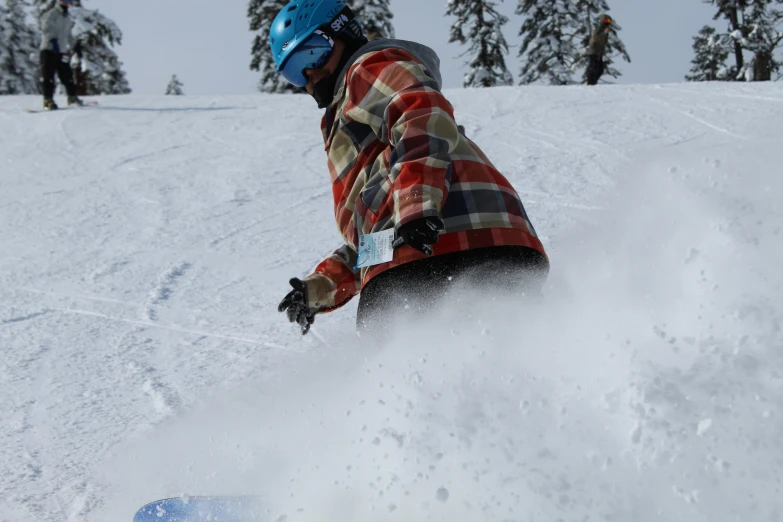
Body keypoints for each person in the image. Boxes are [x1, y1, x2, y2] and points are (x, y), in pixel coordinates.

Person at [272, 0, 548, 338]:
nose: (309, 75)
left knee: (403, 375)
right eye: (293, 71)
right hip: (495, 241)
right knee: (511, 365)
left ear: (344, 31)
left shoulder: (365, 67)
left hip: (435, 249)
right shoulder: (363, 132)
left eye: (311, 54)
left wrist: (416, 202)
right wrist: (321, 287)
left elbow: (418, 112)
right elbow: (379, 231)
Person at [39, 0, 83, 110]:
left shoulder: (67, 18)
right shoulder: (52, 14)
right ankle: (48, 100)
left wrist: (75, 45)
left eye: (68, 1)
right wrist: (52, 40)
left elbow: (68, 34)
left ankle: (72, 97)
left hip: (61, 51)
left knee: (67, 75)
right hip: (48, 50)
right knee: (48, 76)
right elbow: (46, 28)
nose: (66, 3)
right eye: (64, 1)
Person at [584, 14, 613, 86]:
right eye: (606, 20)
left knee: (600, 69)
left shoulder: (604, 29)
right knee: (593, 67)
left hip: (598, 53)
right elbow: (594, 38)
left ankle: (593, 82)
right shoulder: (599, 28)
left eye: (609, 20)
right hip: (593, 52)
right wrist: (604, 33)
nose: (607, 22)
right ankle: (590, 82)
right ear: (602, 20)